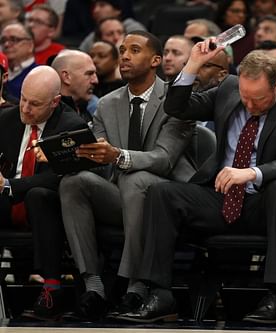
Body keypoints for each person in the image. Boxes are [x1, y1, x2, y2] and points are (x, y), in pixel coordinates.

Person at [118, 47, 276, 324]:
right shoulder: (228, 89)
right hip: (219, 196)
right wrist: (193, 65)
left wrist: (251, 172)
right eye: (245, 97)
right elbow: (176, 107)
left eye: (258, 99)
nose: (249, 105)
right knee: (161, 193)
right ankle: (161, 294)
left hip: (262, 202)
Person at [58, 31, 197, 321]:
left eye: (135, 50)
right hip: (120, 194)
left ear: (156, 60)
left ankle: (132, 285)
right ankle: (94, 287)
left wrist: (118, 156)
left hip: (165, 196)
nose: (125, 56)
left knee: (136, 179)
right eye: (122, 50)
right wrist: (72, 155)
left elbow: (165, 159)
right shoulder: (107, 104)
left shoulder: (178, 101)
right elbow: (100, 158)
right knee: (73, 182)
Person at [0, 66, 88, 320]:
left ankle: (52, 288)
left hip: (51, 206)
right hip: (9, 200)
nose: (25, 109)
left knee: (39, 194)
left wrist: (8, 185)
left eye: (35, 104)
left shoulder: (72, 126)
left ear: (55, 102)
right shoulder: (7, 119)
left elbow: (57, 178)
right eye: (24, 100)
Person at [51, 50, 98, 126]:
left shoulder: (86, 111)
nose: (95, 81)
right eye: (89, 74)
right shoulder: (48, 116)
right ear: (66, 77)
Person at [2, 22, 38, 100]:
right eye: (3, 40)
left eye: (14, 39)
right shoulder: (1, 73)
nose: (6, 44)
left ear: (30, 45)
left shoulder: (40, 74)